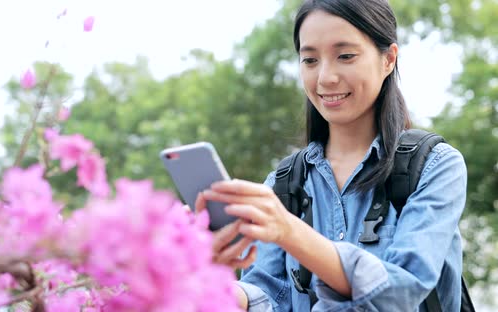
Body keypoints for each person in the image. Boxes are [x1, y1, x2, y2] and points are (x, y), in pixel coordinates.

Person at [196, 0, 467, 311]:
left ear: (389, 59)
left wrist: (290, 231)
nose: (325, 77)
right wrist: (201, 282)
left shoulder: (435, 166)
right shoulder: (283, 184)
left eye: (345, 56)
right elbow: (266, 296)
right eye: (310, 60)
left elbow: (403, 290)